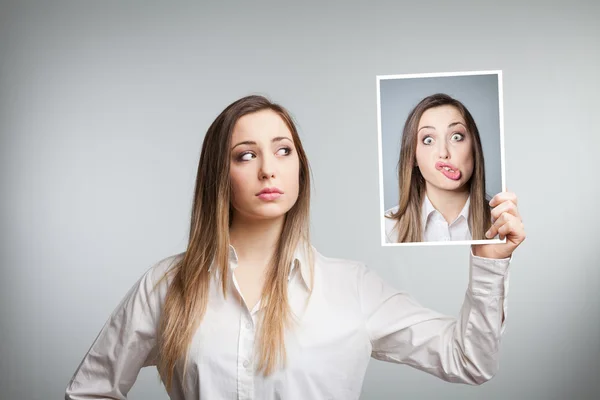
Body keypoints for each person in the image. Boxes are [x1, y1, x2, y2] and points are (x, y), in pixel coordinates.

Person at [65, 95, 525, 400]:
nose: (268, 168)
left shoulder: (353, 289)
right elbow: (90, 391)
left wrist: (490, 265)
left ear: (300, 169)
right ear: (218, 174)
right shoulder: (167, 285)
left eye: (283, 150)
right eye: (246, 154)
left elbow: (471, 360)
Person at [384, 93, 498, 243]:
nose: (443, 153)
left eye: (456, 137)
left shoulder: (501, 226)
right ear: (413, 157)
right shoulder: (386, 230)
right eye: (428, 140)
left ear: (474, 148)